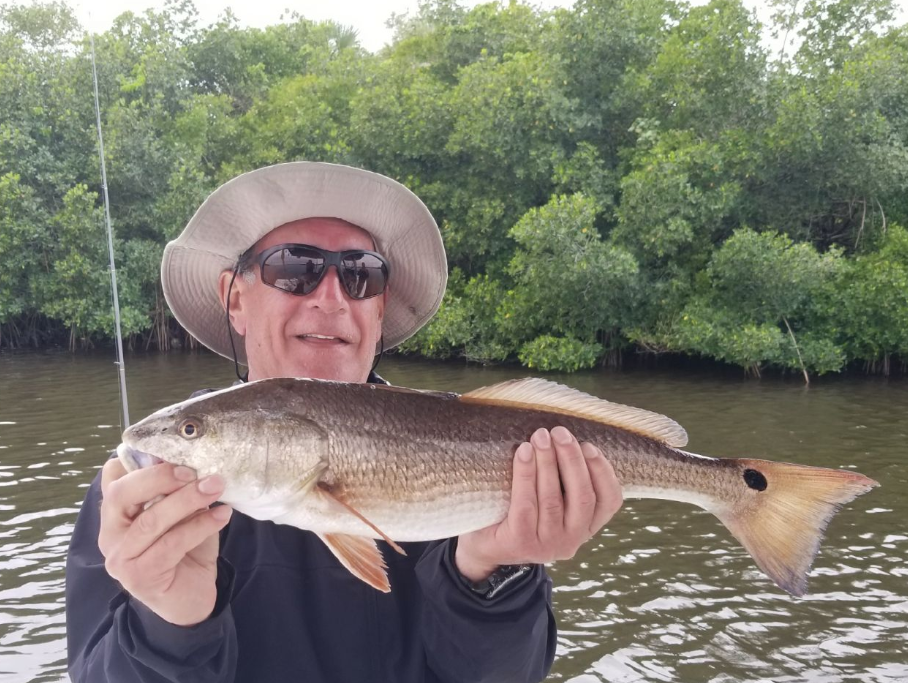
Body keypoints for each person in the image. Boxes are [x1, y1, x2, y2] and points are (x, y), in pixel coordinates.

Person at [66, 162, 623, 682]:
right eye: (294, 268)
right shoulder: (139, 496)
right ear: (235, 298)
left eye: (362, 276)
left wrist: (494, 573)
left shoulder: (492, 452)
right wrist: (170, 623)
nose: (331, 298)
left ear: (378, 312)